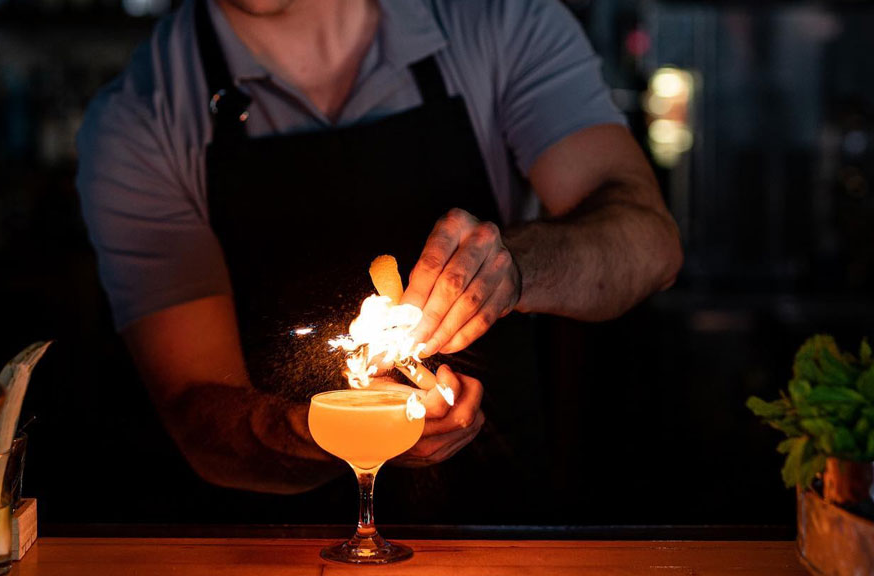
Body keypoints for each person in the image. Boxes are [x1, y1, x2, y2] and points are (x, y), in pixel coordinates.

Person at [76, 0, 682, 519]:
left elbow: (649, 243)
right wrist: (334, 429)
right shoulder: (140, 118)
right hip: (271, 546)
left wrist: (510, 266)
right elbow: (197, 414)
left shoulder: (499, 20)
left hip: (498, 530)